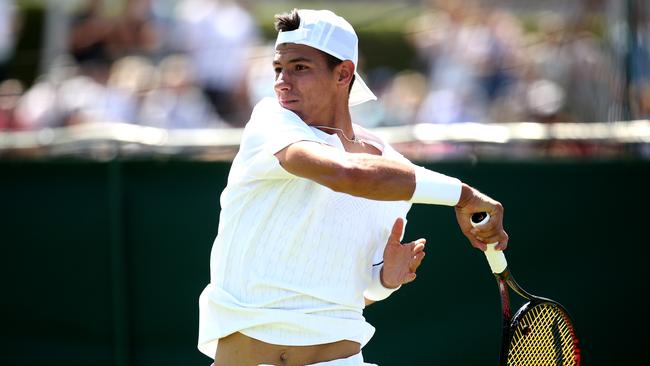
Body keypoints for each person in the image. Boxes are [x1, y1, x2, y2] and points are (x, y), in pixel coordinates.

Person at [197, 9, 508, 366]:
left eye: (300, 68)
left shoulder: (390, 171)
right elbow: (349, 175)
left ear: (343, 73)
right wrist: (463, 196)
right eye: (278, 69)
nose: (282, 81)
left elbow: (354, 292)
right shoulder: (270, 120)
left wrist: (383, 281)